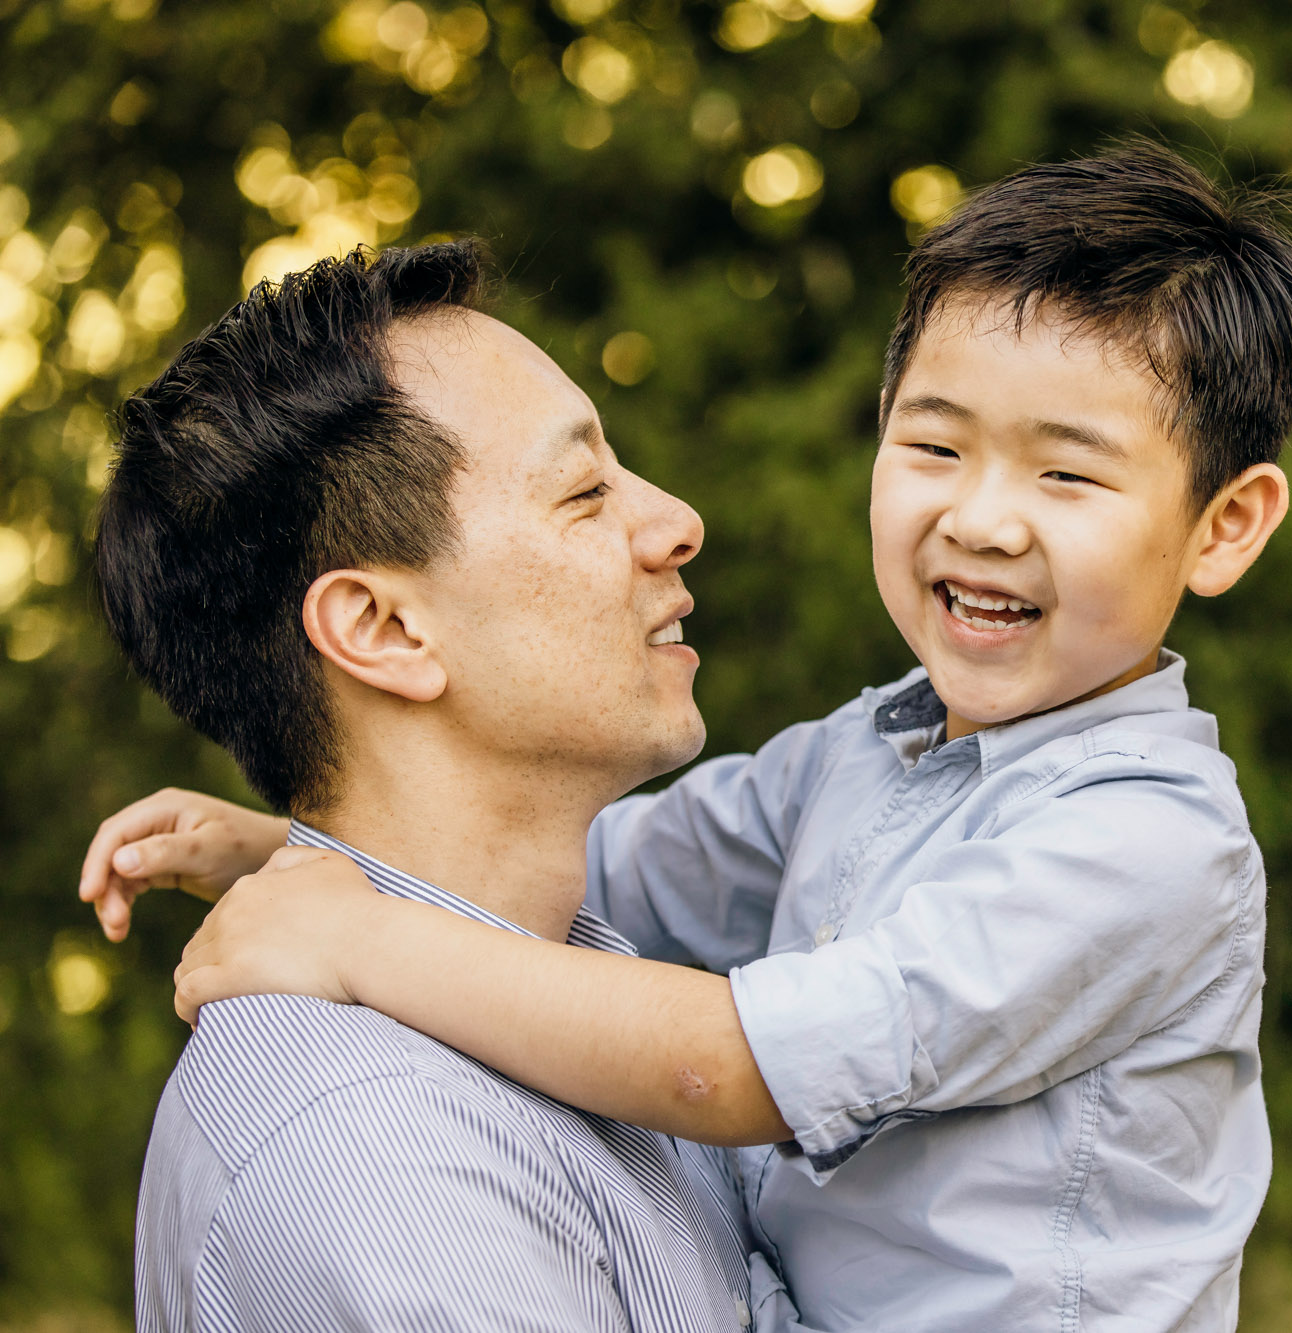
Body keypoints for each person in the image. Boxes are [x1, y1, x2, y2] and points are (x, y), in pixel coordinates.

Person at [86, 143, 1292, 1330]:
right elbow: (626, 868)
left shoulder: (1140, 840)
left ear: (1223, 526)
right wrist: (276, 860)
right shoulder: (384, 1163)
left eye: (1067, 477)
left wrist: (356, 928)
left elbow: (723, 1067)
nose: (983, 518)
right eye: (935, 447)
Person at [89, 241, 793, 1332]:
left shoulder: (567, 1007)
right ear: (384, 629)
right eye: (584, 490)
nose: (673, 521)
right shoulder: (383, 1155)